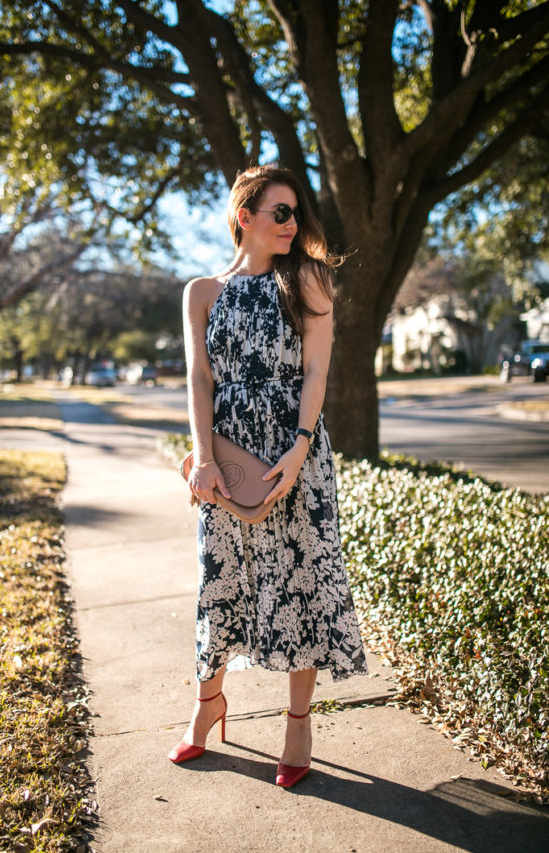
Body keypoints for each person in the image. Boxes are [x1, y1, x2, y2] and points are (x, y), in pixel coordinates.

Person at [169, 165, 367, 788]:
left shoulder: (308, 277)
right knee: (219, 577)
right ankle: (208, 705)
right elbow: (200, 381)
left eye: (295, 213)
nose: (291, 224)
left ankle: (298, 723)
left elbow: (315, 373)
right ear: (243, 216)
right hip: (227, 457)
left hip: (294, 455)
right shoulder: (202, 291)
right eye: (278, 213)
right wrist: (203, 457)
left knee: (300, 581)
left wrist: (300, 448)